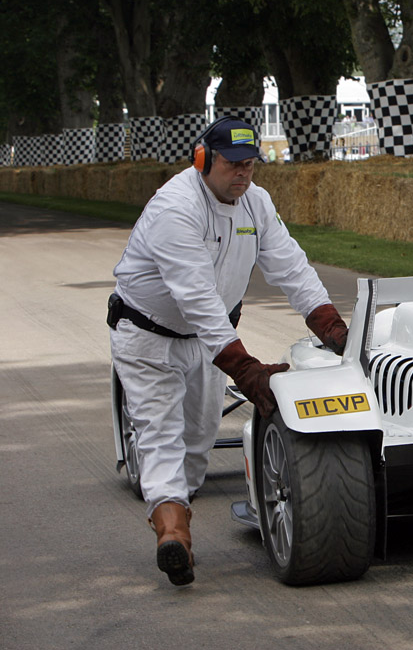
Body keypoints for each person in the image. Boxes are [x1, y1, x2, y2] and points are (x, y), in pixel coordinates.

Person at [108, 117, 350, 585]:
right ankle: (173, 536)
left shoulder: (255, 204)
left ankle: (178, 504)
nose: (242, 174)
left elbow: (292, 269)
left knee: (197, 444)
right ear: (203, 160)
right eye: (232, 164)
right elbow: (197, 299)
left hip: (204, 343)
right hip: (146, 338)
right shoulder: (175, 209)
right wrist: (246, 369)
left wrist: (333, 329)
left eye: (250, 165)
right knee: (160, 435)